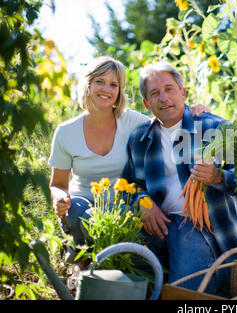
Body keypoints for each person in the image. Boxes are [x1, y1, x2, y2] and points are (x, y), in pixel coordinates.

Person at [48, 56, 209, 248]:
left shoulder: (134, 122)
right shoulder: (66, 132)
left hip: (126, 206)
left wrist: (193, 110)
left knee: (100, 222)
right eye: (100, 81)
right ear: (87, 85)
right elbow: (57, 184)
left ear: (119, 91)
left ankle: (107, 259)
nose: (106, 89)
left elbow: (166, 116)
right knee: (76, 214)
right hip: (83, 202)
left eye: (113, 84)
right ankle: (79, 253)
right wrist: (59, 198)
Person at [121, 61, 237, 291]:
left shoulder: (217, 128)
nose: (164, 98)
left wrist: (218, 177)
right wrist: (144, 202)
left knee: (186, 288)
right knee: (126, 268)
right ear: (147, 103)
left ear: (183, 92)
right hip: (159, 223)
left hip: (203, 227)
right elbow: (128, 186)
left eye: (169, 89)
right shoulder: (139, 139)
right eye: (155, 93)